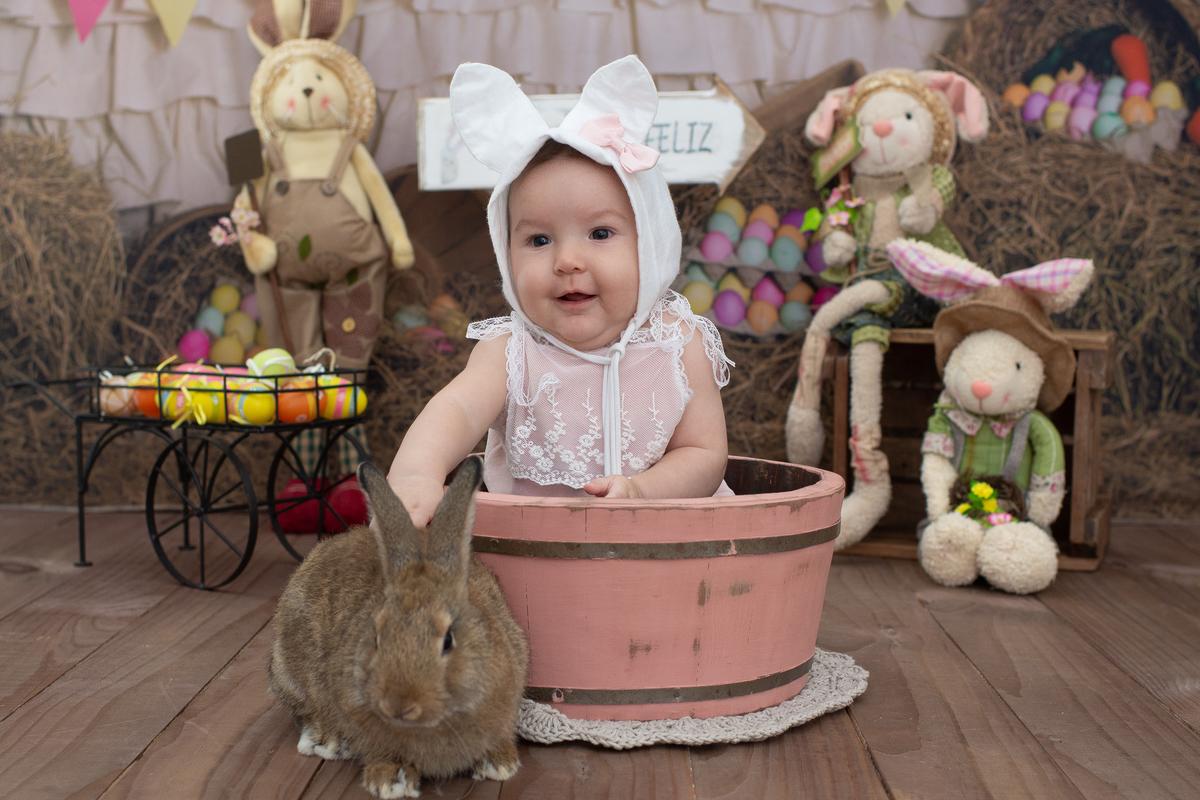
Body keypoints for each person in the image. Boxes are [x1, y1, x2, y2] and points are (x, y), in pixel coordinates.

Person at [387, 56, 734, 528]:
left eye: (600, 233)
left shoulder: (677, 343)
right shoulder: (511, 352)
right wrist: (417, 473)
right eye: (539, 240)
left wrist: (641, 491)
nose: (567, 261)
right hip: (536, 554)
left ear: (651, 244)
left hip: (669, 543)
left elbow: (704, 452)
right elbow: (458, 410)